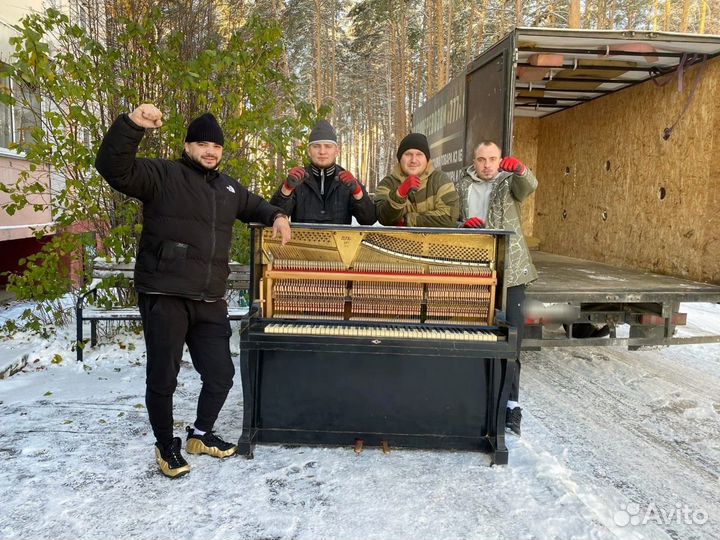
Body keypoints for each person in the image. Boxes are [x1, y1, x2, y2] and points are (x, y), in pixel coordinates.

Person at [95, 104, 291, 478]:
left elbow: (258, 205)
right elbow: (113, 168)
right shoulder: (161, 174)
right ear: (187, 147)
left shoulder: (228, 187)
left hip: (208, 299)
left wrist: (277, 216)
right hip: (165, 293)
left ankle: (200, 434)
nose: (210, 151)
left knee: (220, 374)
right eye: (202, 143)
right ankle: (165, 445)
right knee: (163, 378)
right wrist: (132, 125)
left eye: (215, 146)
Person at [456, 140, 536, 435]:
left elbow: (529, 187)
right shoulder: (462, 184)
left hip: (512, 272)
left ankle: (511, 407)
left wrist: (522, 170)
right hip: (475, 269)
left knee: (511, 341)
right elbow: (451, 219)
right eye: (481, 159)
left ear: (500, 160)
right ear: (473, 161)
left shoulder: (509, 181)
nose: (486, 165)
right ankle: (476, 400)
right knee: (475, 335)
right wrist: (463, 225)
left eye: (492, 159)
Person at [270, 119, 375, 225]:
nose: (322, 151)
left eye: (328, 146)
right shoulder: (297, 179)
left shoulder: (348, 181)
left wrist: (357, 193)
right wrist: (286, 190)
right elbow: (273, 216)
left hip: (339, 240)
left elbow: (369, 220)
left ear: (337, 151)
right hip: (301, 240)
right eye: (316, 146)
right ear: (309, 151)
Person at [374, 133, 459, 227]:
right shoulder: (388, 183)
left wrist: (407, 220)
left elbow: (449, 218)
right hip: (399, 241)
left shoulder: (440, 179)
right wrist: (399, 194)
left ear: (427, 159)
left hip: (435, 241)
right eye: (408, 154)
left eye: (419, 154)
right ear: (400, 158)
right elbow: (384, 218)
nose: (413, 160)